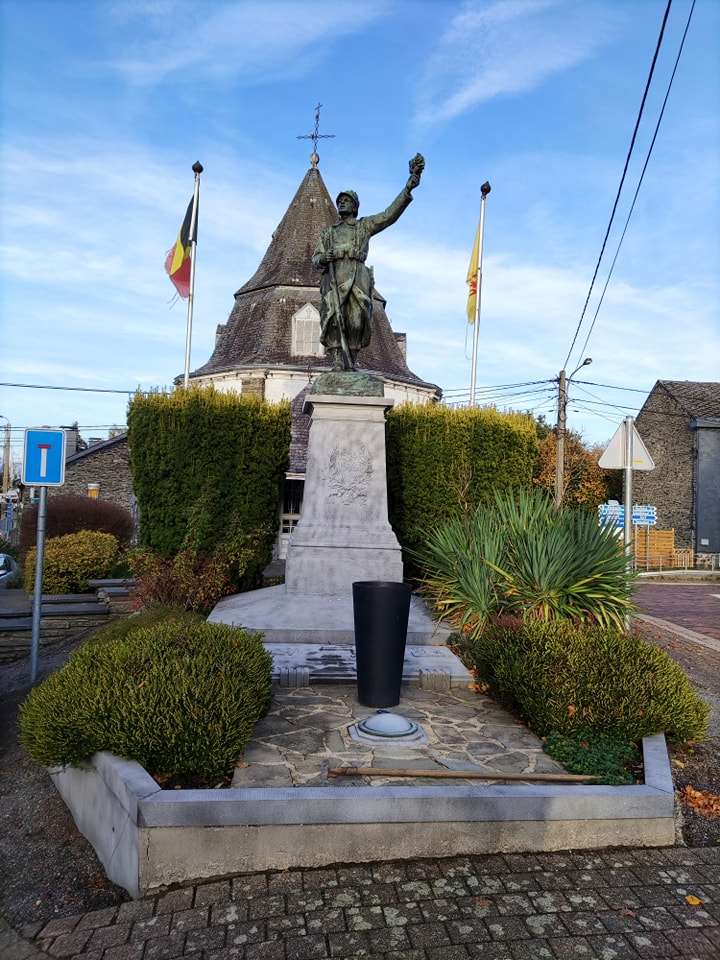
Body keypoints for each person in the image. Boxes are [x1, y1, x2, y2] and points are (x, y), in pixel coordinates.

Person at [313, 154, 425, 370]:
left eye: (346, 200)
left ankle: (352, 359)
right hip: (335, 277)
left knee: (357, 319)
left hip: (357, 277)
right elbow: (316, 258)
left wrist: (408, 187)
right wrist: (324, 258)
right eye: (340, 201)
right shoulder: (328, 233)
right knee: (334, 317)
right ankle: (337, 360)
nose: (341, 202)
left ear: (355, 206)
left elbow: (388, 215)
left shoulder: (364, 226)